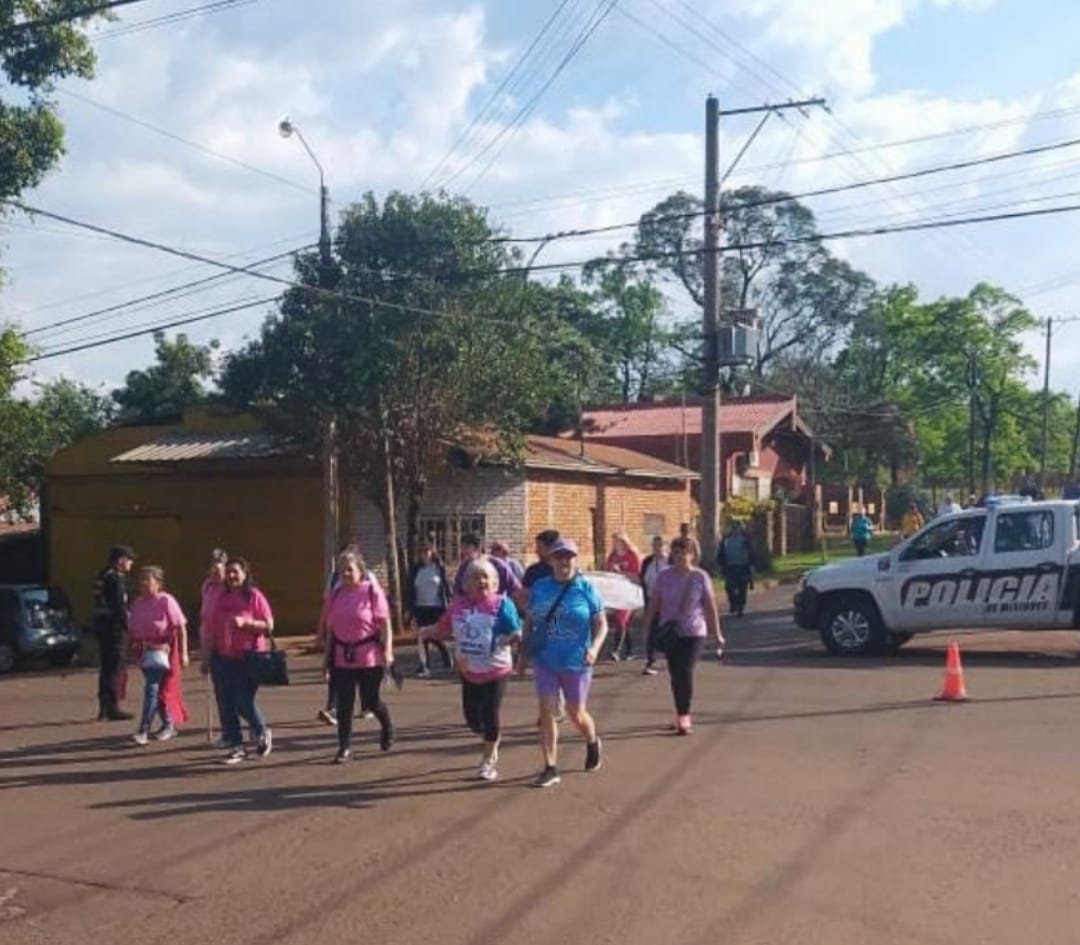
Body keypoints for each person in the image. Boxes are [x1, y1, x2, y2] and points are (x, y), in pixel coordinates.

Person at [518, 537, 607, 788]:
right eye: (559, 556)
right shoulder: (540, 587)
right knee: (546, 711)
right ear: (551, 560)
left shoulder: (585, 588)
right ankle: (550, 767)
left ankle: (592, 740)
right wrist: (523, 657)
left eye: (568, 557)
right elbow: (529, 623)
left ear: (575, 560)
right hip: (545, 659)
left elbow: (601, 624)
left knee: (576, 713)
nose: (564, 561)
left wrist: (595, 648)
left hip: (576, 661)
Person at [423, 558, 522, 781]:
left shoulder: (502, 605)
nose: (481, 581)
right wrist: (425, 632)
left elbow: (517, 631)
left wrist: (512, 638)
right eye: (476, 577)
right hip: (468, 669)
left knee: (490, 713)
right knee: (473, 719)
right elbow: (442, 628)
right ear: (467, 584)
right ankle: (489, 736)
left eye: (486, 577)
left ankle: (488, 759)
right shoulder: (458, 606)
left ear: (494, 583)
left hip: (496, 669)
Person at [642, 536, 721, 735]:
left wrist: (717, 633)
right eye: (676, 552)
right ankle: (680, 712)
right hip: (671, 632)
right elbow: (654, 603)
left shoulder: (700, 577)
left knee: (685, 670)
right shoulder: (664, 577)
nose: (679, 556)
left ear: (692, 555)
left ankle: (684, 716)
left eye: (684, 552)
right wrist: (647, 626)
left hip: (694, 632)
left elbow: (710, 607)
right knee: (676, 674)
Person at [320, 551, 395, 762]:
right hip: (342, 658)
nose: (345, 574)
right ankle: (344, 747)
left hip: (369, 657)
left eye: (349, 570)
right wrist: (326, 659)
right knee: (344, 704)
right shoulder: (336, 595)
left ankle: (387, 726)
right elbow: (331, 629)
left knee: (371, 700)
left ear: (360, 571)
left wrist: (388, 650)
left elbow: (385, 623)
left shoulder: (371, 591)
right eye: (341, 570)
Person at [207, 557, 275, 765]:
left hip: (250, 657)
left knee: (242, 700)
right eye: (228, 572)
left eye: (235, 571)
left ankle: (261, 730)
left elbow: (269, 625)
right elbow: (212, 626)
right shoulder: (222, 597)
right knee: (227, 702)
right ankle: (236, 746)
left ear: (245, 574)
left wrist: (246, 623)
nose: (231, 576)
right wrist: (208, 653)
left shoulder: (253, 595)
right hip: (224, 657)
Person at [127, 566, 189, 745]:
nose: (143, 584)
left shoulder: (166, 600)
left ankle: (143, 729)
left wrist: (184, 652)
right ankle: (168, 724)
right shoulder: (138, 603)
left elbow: (181, 627)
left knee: (152, 688)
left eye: (147, 580)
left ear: (158, 583)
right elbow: (131, 628)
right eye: (141, 580)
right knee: (159, 691)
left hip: (162, 652)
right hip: (143, 652)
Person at [92, 545, 136, 721]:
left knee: (106, 668)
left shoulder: (101, 575)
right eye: (129, 560)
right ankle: (113, 707)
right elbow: (120, 606)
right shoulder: (115, 578)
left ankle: (104, 707)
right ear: (121, 560)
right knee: (115, 669)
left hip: (102, 627)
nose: (131, 564)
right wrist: (129, 627)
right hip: (115, 629)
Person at [409, 543, 453, 679]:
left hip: (436, 606)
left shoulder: (438, 567)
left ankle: (445, 653)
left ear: (432, 552)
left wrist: (450, 601)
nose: (425, 554)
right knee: (422, 637)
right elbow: (410, 587)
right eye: (422, 552)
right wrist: (410, 608)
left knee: (433, 635)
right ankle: (424, 664)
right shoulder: (416, 569)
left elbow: (445, 585)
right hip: (420, 606)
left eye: (427, 551)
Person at [199, 549, 228, 744]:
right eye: (213, 567)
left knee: (234, 691)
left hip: (229, 643)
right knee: (219, 691)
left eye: (220, 567)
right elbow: (205, 617)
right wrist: (204, 654)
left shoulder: (231, 588)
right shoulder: (207, 587)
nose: (216, 572)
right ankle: (227, 731)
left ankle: (253, 726)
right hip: (210, 642)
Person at [604, 532, 642, 661]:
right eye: (614, 542)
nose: (616, 544)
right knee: (623, 621)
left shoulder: (632, 555)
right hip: (616, 592)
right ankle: (630, 651)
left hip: (628, 591)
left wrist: (621, 572)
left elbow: (637, 575)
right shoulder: (612, 556)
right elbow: (607, 572)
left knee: (621, 619)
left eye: (618, 541)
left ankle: (616, 650)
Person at [453, 534, 521, 598]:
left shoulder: (498, 565)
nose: (463, 551)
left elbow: (516, 589)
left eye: (466, 547)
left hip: (495, 604)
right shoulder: (464, 568)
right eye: (462, 548)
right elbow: (457, 592)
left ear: (478, 548)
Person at [639, 535, 669, 676]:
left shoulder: (671, 561)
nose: (657, 548)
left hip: (668, 601)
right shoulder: (648, 561)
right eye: (655, 545)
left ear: (666, 547)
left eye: (660, 545)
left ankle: (672, 656)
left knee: (669, 629)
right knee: (652, 629)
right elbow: (642, 579)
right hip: (651, 600)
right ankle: (650, 661)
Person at [716, 521, 755, 617]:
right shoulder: (726, 540)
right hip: (730, 567)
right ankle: (734, 604)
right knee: (729, 587)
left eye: (737, 528)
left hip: (743, 567)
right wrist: (720, 564)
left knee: (742, 589)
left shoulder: (745, 539)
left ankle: (741, 608)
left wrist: (752, 566)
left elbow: (751, 553)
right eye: (733, 528)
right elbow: (721, 553)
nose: (735, 530)